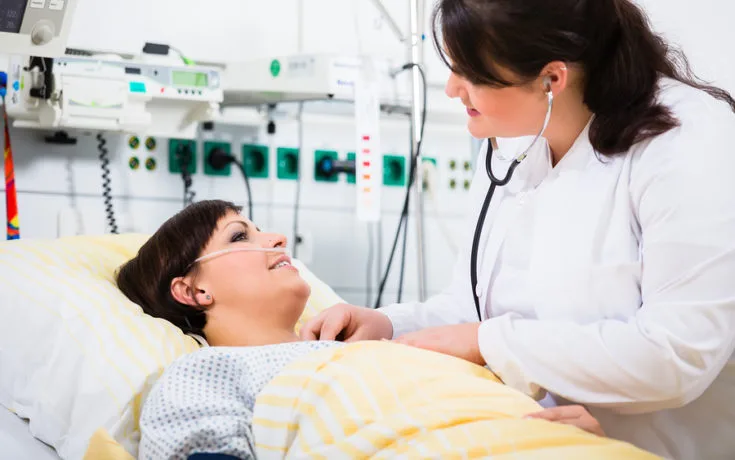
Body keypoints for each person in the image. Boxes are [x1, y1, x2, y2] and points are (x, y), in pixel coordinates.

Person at [300, 1, 735, 459]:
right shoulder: (515, 143)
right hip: (544, 438)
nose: (451, 89)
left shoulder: (689, 145)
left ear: (552, 79)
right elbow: (474, 306)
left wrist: (490, 342)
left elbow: (676, 355)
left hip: (671, 444)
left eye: (470, 74)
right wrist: (390, 324)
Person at [116, 200, 605, 459]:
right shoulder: (203, 374)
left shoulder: (377, 350)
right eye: (241, 235)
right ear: (193, 292)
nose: (277, 238)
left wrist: (582, 433)